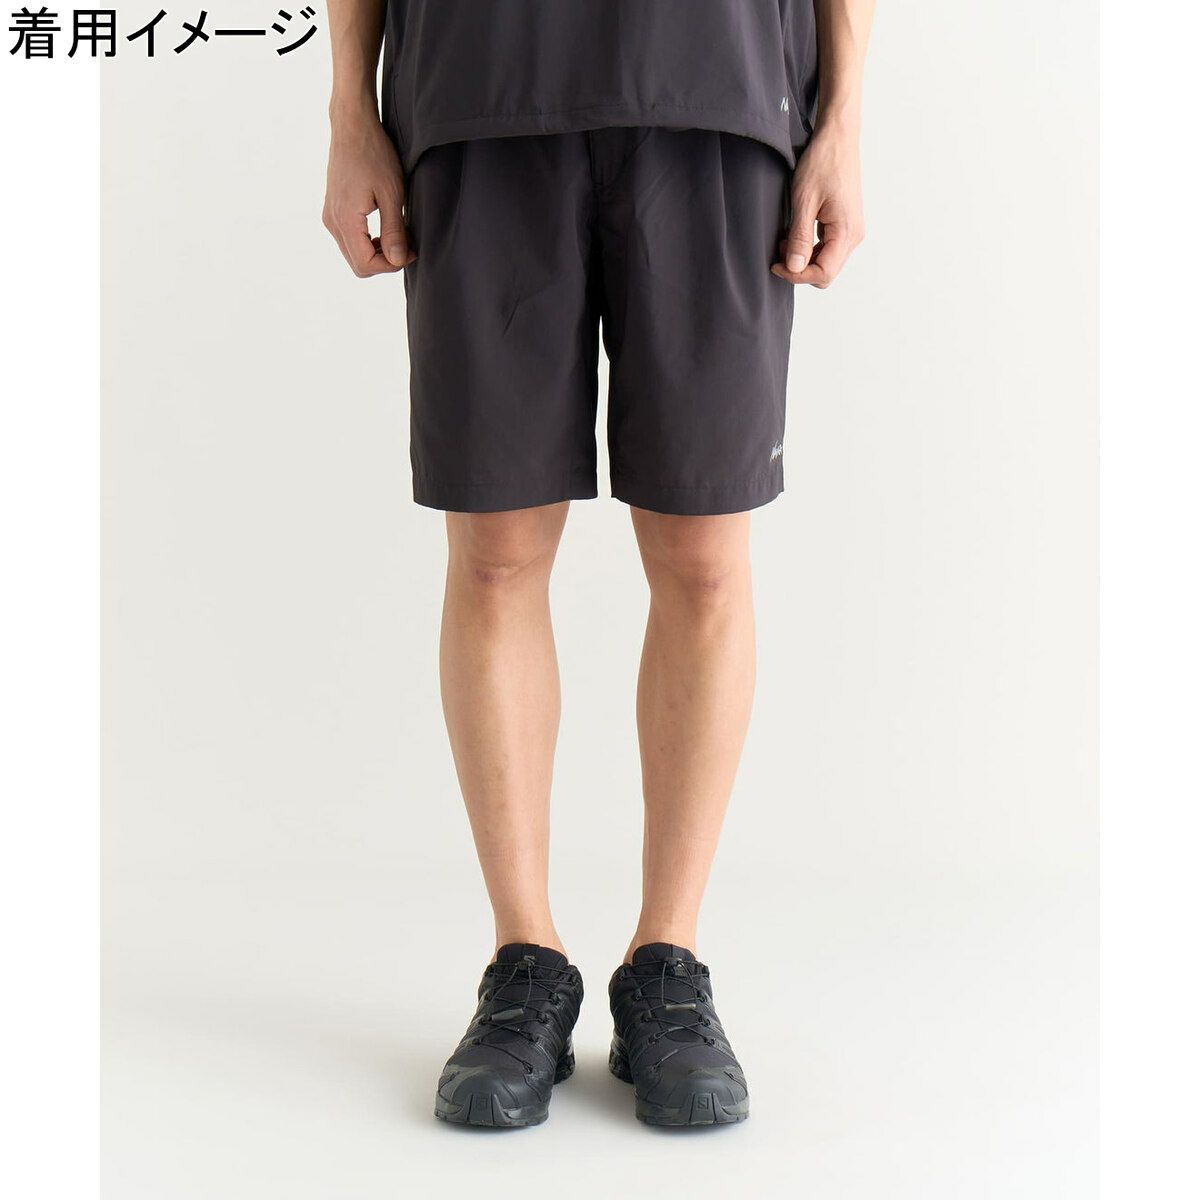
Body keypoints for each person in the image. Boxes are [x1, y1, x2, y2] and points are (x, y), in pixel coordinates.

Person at [323, 0, 874, 1128]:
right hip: (477, 85)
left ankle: (667, 962)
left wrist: (845, 118)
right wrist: (349, 107)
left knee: (705, 552)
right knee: (494, 551)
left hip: (720, 86)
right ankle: (524, 961)